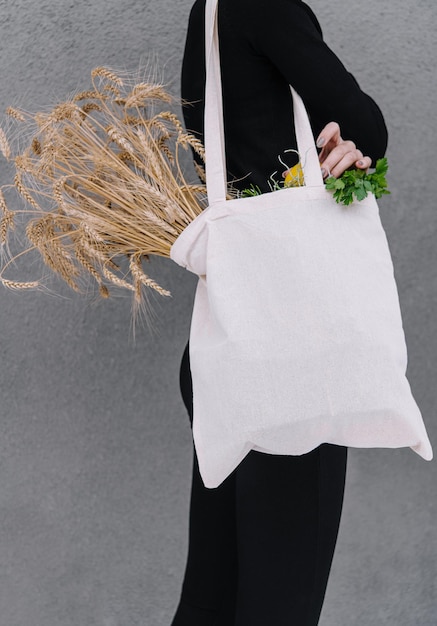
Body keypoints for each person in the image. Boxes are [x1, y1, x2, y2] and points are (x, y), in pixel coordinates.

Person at [171, 1, 388, 624]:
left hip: (227, 347)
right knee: (278, 606)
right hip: (292, 359)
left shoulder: (208, 11)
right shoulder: (266, 4)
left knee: (212, 597)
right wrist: (355, 148)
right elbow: (367, 126)